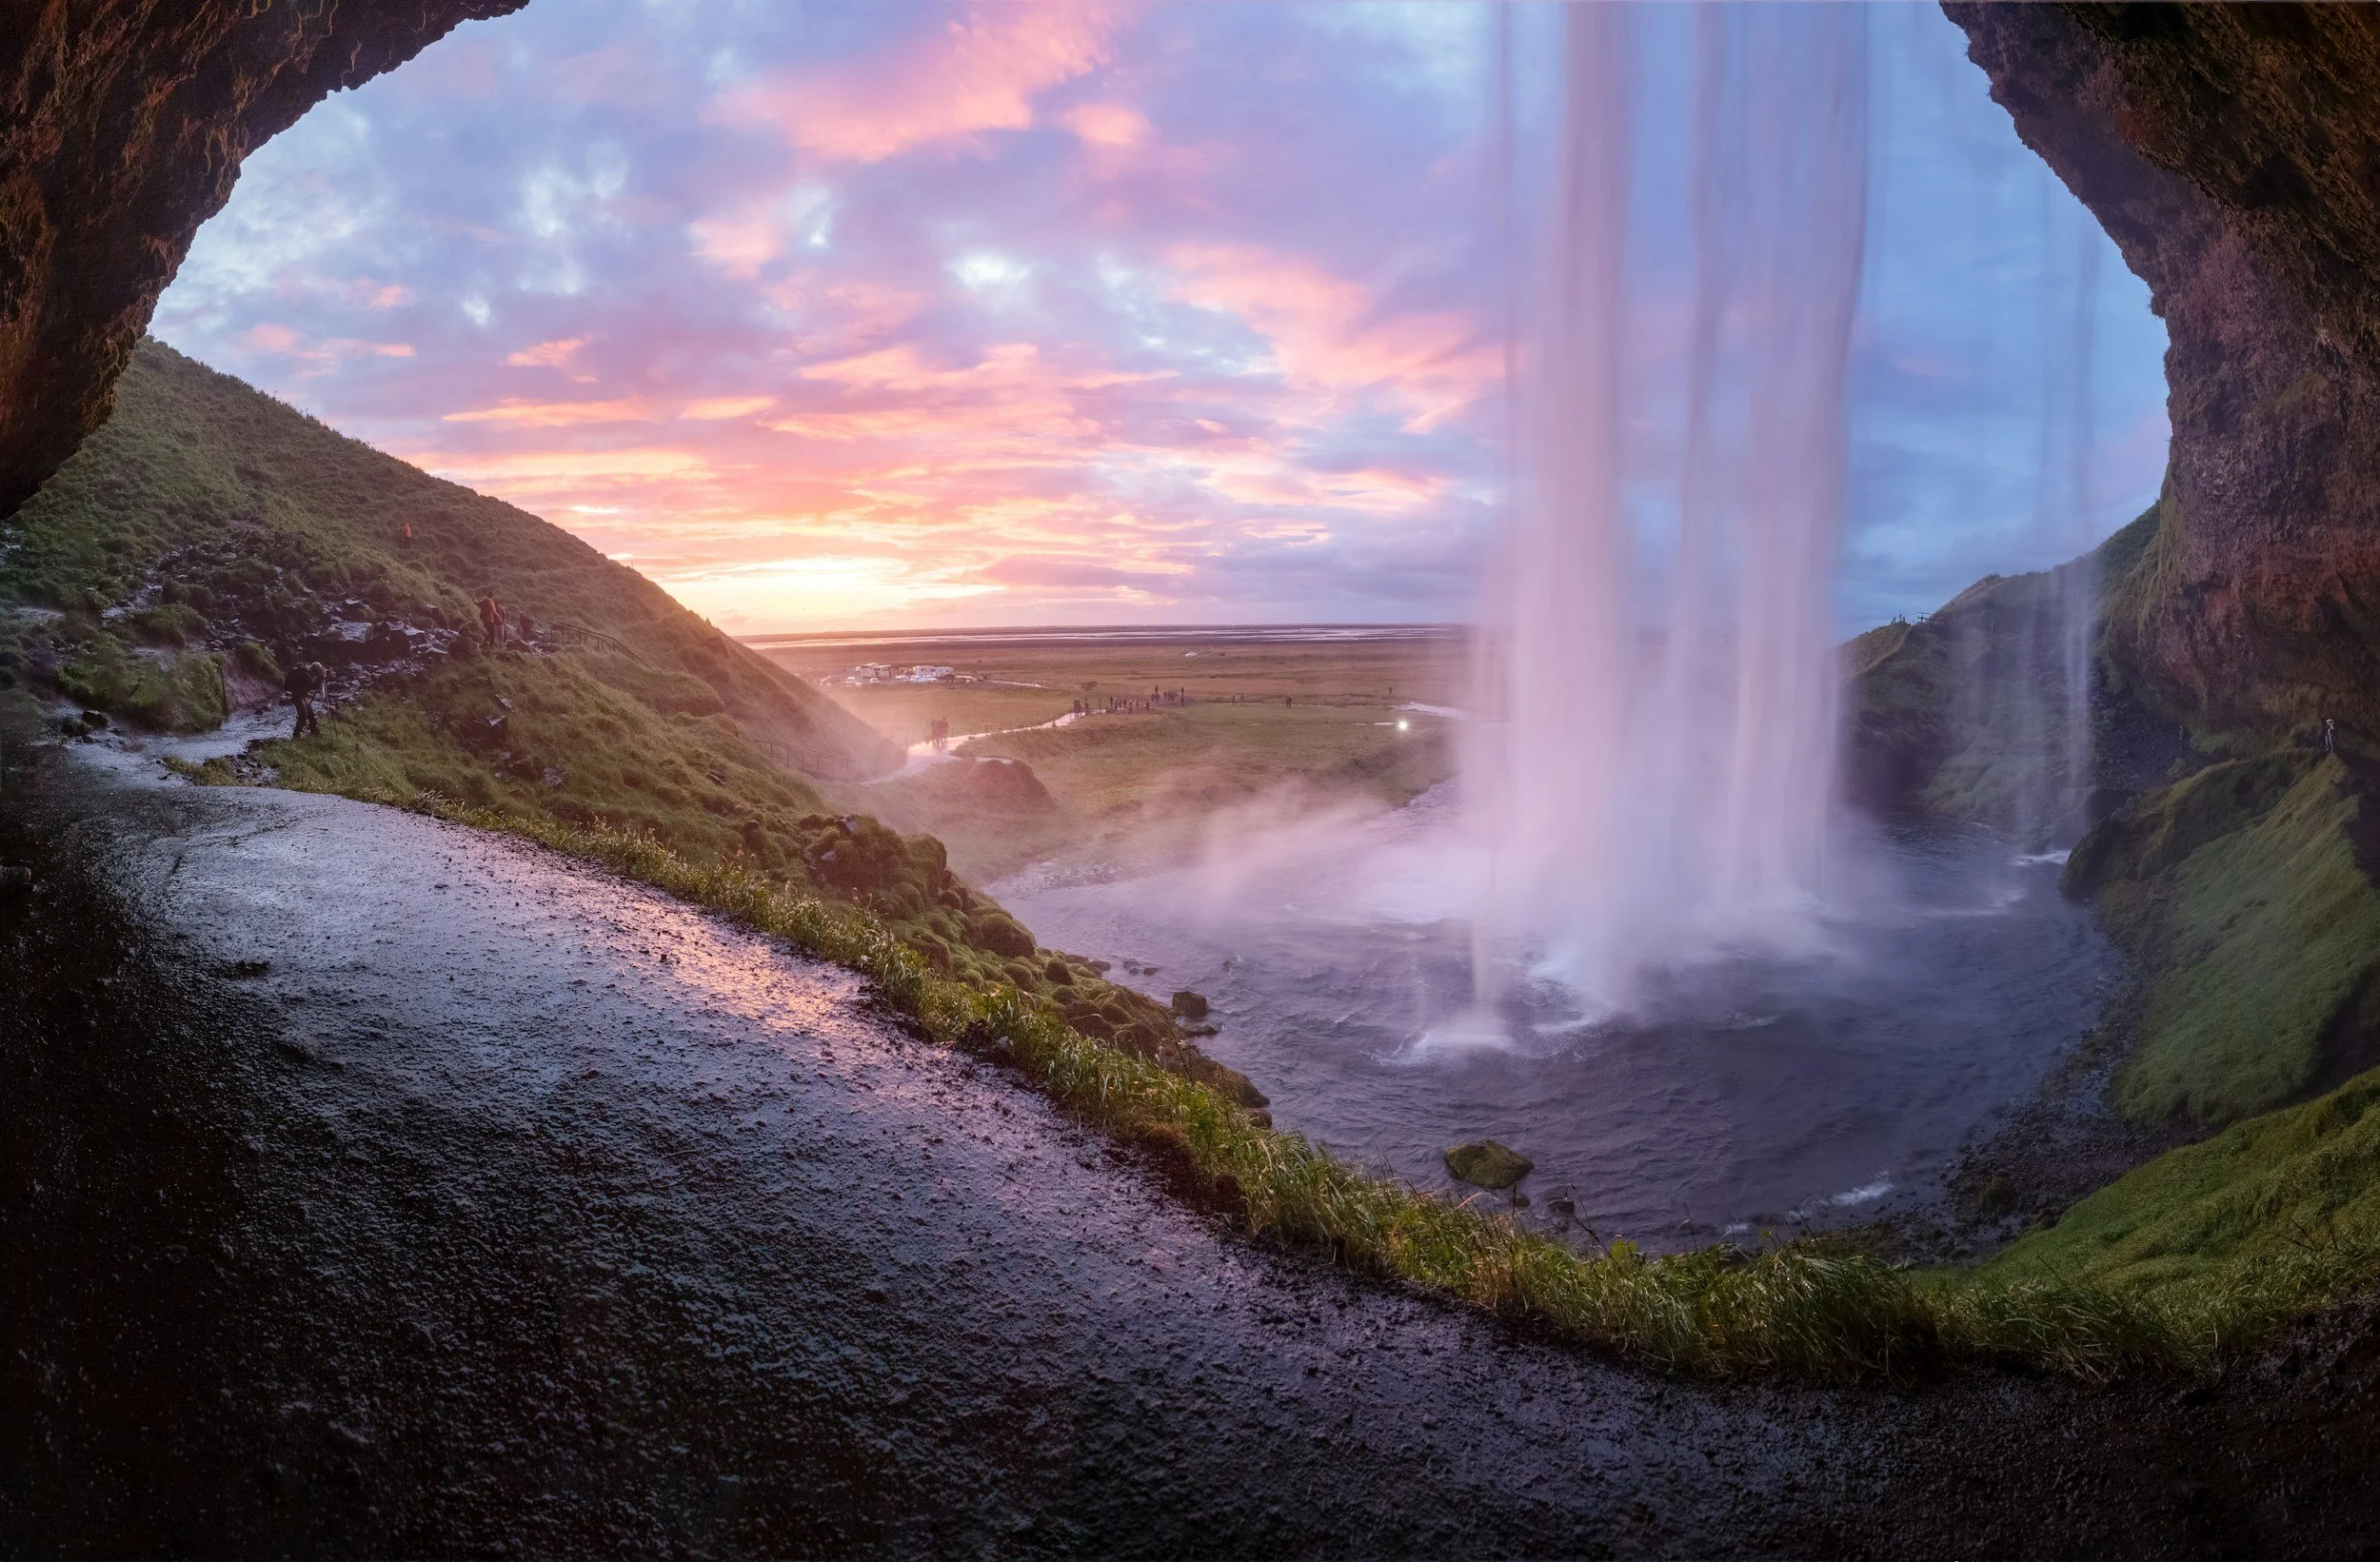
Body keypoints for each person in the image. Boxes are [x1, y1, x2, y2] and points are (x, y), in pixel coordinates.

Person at [285, 660, 324, 739]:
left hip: (300, 695)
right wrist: (320, 680)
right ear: (315, 671)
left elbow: (306, 688)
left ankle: (314, 731)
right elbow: (312, 687)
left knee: (311, 713)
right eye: (317, 674)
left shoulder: (305, 672)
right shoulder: (307, 677)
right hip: (298, 697)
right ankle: (296, 736)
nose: (315, 676)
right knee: (303, 715)